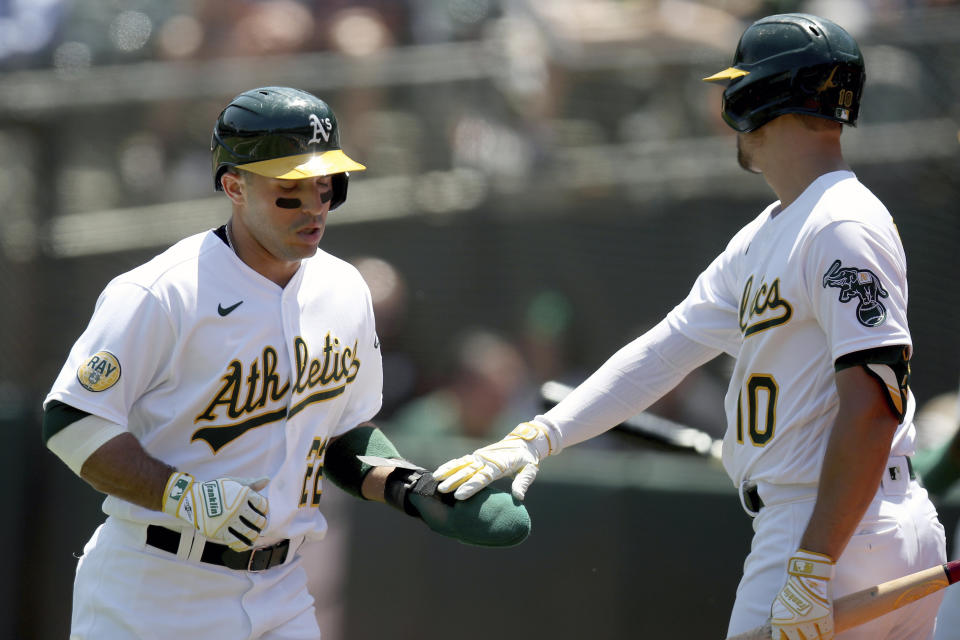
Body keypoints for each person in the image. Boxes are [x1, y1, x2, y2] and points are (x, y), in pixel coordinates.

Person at [433, 14, 947, 640]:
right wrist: (539, 436)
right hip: (850, 527)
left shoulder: (839, 222)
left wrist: (812, 565)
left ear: (762, 97)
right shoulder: (771, 231)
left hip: (827, 531)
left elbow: (872, 408)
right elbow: (665, 352)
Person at [42, 86, 528, 639]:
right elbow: (71, 421)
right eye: (290, 190)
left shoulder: (346, 289)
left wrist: (410, 488)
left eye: (326, 186)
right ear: (234, 186)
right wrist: (185, 495)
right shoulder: (163, 292)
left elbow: (344, 435)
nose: (314, 206)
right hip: (157, 589)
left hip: (282, 591)